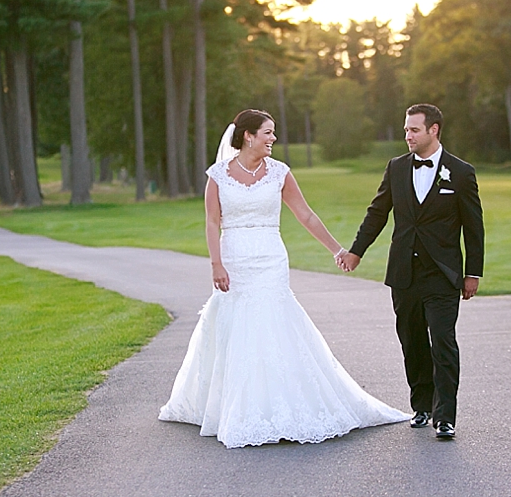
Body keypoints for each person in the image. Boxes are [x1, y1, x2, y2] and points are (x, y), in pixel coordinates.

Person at [160, 108, 409, 448]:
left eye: (273, 133)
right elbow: (211, 222)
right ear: (248, 136)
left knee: (273, 323)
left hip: (270, 258)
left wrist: (338, 249)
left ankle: (284, 404)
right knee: (238, 326)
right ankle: (234, 407)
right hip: (234, 258)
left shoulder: (279, 173)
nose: (273, 139)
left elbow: (305, 214)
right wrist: (216, 264)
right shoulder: (218, 175)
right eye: (267, 133)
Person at [339, 104, 484, 439]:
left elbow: (474, 228)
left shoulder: (461, 173)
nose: (407, 136)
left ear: (434, 130)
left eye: (414, 130)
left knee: (443, 342)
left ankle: (445, 415)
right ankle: (421, 406)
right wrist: (356, 251)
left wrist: (473, 272)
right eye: (406, 130)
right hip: (404, 272)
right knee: (413, 341)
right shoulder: (396, 168)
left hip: (443, 274)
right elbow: (377, 213)